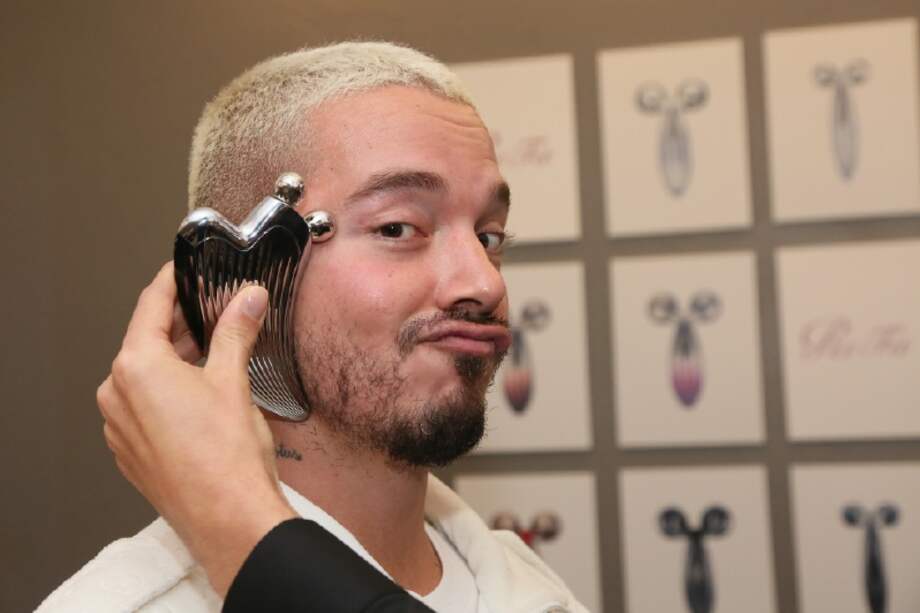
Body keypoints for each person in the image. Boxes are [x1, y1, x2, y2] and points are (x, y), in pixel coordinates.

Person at [37, 41, 588, 613]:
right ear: (230, 278)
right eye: (398, 228)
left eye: (489, 236)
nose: (485, 282)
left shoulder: (532, 587)